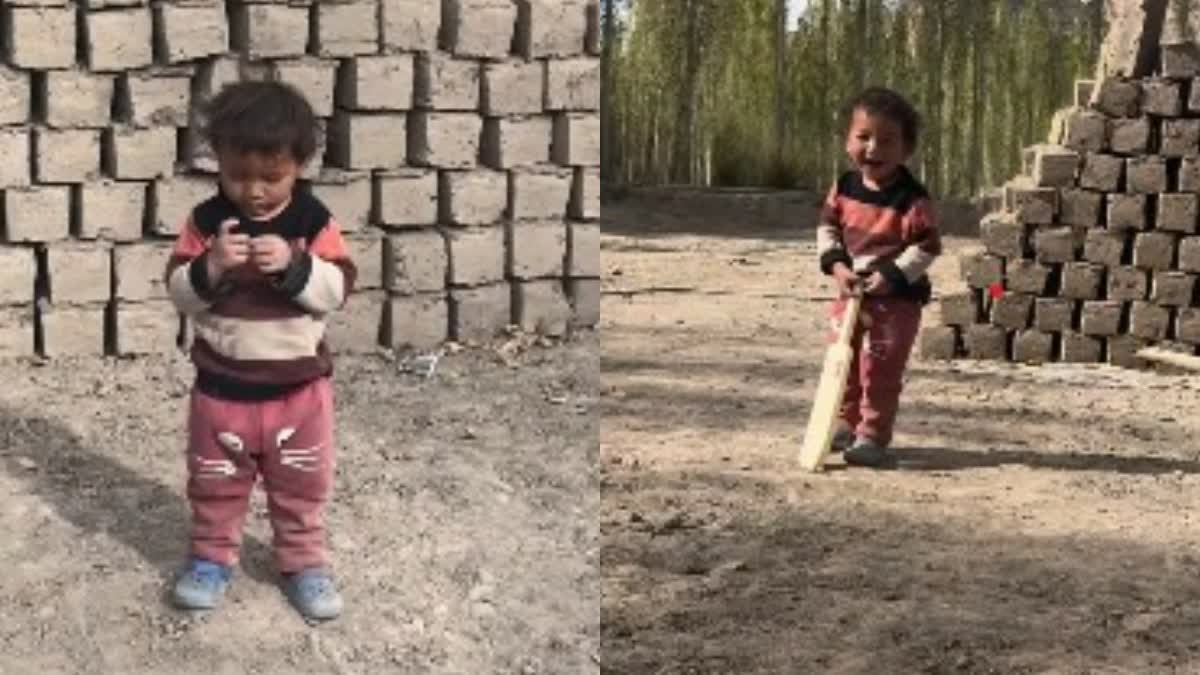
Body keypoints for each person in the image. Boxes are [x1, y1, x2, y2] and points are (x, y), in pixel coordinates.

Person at [164, 80, 357, 620]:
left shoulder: (312, 223)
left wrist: (297, 268)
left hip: (299, 394)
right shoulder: (206, 224)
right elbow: (180, 292)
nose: (253, 191)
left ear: (299, 164)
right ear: (217, 163)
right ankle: (210, 557)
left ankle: (304, 564)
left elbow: (337, 290)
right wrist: (212, 267)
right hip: (221, 391)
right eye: (237, 175)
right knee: (215, 482)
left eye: (271, 177)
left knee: (301, 484)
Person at [816, 86, 941, 468]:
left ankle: (872, 434)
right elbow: (828, 230)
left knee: (880, 367)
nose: (874, 149)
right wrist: (838, 267)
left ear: (905, 150)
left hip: (896, 301)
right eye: (864, 137)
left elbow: (926, 247)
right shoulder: (844, 187)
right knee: (845, 362)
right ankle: (845, 422)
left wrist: (890, 276)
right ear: (846, 141)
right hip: (850, 293)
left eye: (887, 141)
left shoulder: (912, 199)